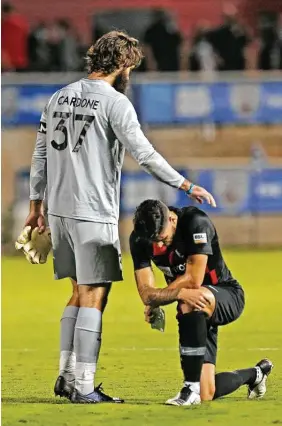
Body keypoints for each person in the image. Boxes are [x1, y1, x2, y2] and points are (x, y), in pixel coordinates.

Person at [24, 31, 216, 404]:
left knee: (78, 293)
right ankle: (82, 385)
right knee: (96, 294)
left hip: (59, 212)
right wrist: (185, 185)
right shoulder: (115, 103)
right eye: (131, 66)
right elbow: (144, 154)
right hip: (93, 213)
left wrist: (36, 205)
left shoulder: (58, 96)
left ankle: (65, 376)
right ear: (123, 64)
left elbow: (40, 154)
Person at [130, 199, 273, 405]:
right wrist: (154, 300)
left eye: (162, 238)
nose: (159, 245)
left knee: (191, 298)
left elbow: (193, 280)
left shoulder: (196, 222)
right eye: (154, 241)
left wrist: (159, 299)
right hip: (197, 308)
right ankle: (256, 374)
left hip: (226, 294)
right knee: (209, 392)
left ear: (171, 218)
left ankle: (190, 389)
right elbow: (146, 293)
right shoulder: (139, 239)